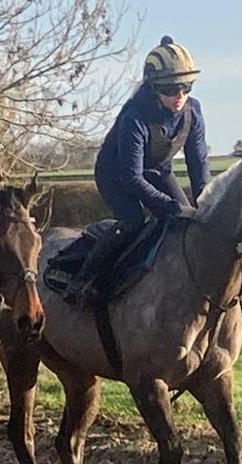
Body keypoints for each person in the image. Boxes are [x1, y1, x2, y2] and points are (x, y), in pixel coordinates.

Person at [63, 36, 211, 304]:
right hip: (116, 174)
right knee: (133, 222)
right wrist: (169, 205)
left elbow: (198, 163)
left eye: (186, 87)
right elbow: (132, 178)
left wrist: (204, 202)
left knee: (186, 224)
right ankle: (82, 280)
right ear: (154, 87)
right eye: (170, 88)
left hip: (157, 170)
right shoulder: (135, 116)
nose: (180, 96)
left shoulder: (193, 111)